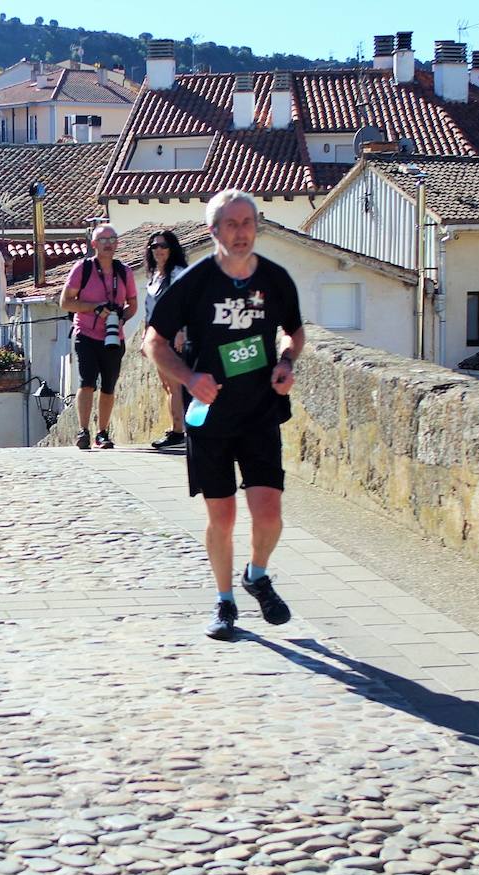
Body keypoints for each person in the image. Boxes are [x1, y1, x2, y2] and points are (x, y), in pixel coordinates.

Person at [143, 190, 305, 641]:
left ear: (256, 227)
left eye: (247, 223)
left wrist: (287, 362)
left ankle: (256, 575)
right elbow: (153, 342)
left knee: (269, 512)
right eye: (230, 224)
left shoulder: (275, 279)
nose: (240, 232)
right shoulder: (195, 283)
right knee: (224, 517)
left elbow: (294, 331)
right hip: (210, 416)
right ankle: (224, 601)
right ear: (213, 231)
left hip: (259, 411)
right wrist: (189, 378)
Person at [60, 224, 138, 450]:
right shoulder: (82, 270)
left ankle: (102, 433)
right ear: (93, 244)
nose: (108, 243)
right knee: (87, 382)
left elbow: (132, 304)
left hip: (114, 336)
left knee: (109, 385)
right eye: (103, 240)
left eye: (112, 239)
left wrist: (121, 318)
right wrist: (94, 307)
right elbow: (66, 302)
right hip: (86, 333)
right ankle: (83, 431)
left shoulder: (125, 272)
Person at [142, 229, 190, 450]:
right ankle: (177, 428)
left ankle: (179, 430)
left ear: (172, 249)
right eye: (154, 246)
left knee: (175, 385)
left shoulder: (178, 273)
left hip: (173, 336)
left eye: (163, 246)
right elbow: (149, 310)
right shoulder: (154, 276)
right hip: (158, 338)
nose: (158, 250)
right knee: (167, 385)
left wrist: (181, 330)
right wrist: (145, 335)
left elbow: (185, 304)